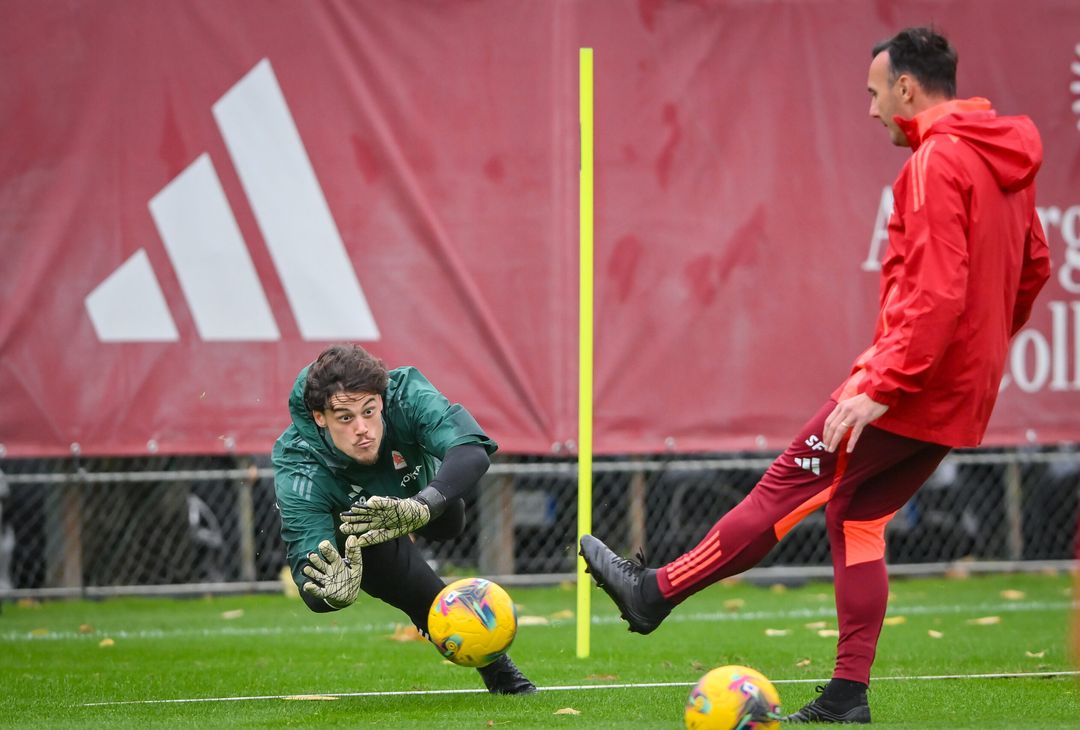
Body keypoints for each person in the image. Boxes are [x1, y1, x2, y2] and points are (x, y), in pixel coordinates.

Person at [580, 26, 1049, 724]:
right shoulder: (1001, 160)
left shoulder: (936, 162)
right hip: (956, 387)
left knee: (784, 488)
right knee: (855, 518)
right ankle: (846, 699)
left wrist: (881, 385)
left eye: (874, 93)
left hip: (910, 386)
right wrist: (977, 354)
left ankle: (653, 592)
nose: (870, 109)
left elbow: (937, 294)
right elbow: (1032, 269)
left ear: (908, 89)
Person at [272, 343, 536, 695]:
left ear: (381, 399)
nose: (362, 428)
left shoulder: (405, 392)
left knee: (450, 523)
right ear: (320, 417)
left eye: (369, 411)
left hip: (423, 498)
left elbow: (472, 451)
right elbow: (309, 575)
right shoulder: (298, 464)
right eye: (346, 418)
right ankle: (500, 671)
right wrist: (331, 594)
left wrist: (423, 505)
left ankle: (427, 507)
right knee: (400, 572)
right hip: (360, 530)